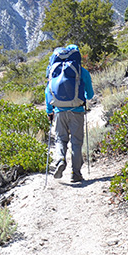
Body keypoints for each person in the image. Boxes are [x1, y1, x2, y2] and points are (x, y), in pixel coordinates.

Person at [45, 45, 94, 183]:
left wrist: (50, 112)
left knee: (60, 139)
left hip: (59, 111)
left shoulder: (53, 70)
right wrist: (83, 96)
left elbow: (48, 92)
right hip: (77, 111)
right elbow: (90, 95)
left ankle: (60, 159)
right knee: (76, 143)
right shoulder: (81, 71)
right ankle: (76, 174)